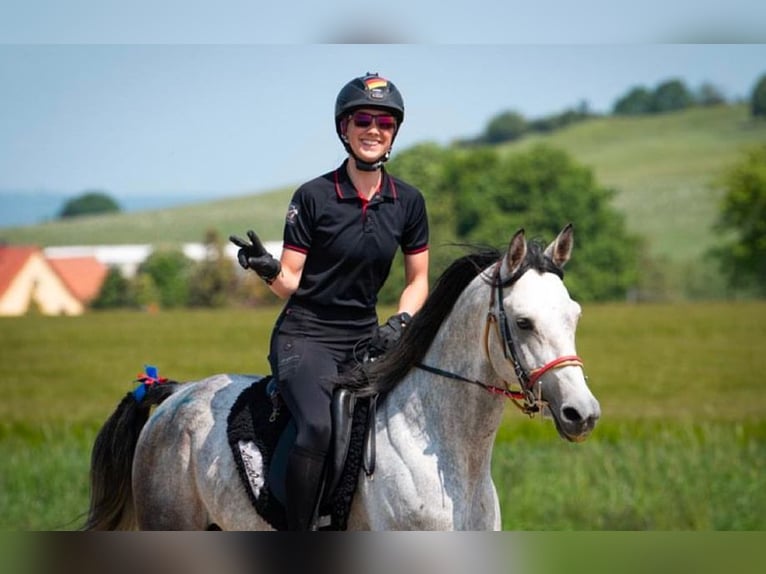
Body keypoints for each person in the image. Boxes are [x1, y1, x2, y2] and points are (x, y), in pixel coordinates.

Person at [230, 72, 429, 530]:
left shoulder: (409, 203)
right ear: (344, 128)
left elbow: (418, 281)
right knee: (318, 427)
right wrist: (266, 267)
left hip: (365, 339)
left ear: (394, 132)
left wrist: (400, 322)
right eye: (363, 119)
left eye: (384, 121)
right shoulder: (314, 196)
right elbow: (289, 283)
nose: (373, 129)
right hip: (305, 336)